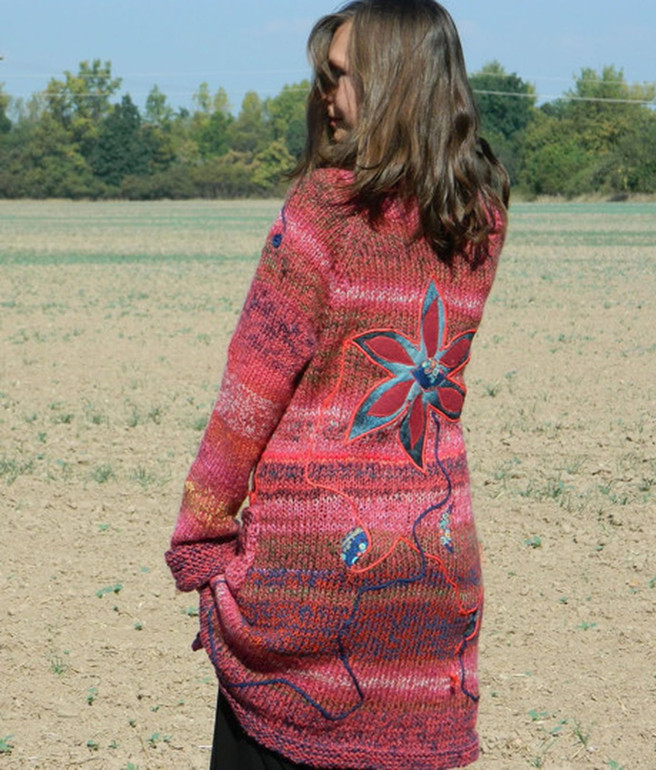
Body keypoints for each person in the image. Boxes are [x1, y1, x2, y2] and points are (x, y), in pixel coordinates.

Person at [166, 1, 509, 768]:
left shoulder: (323, 209)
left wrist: (201, 538)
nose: (326, 93)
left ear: (393, 82)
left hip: (312, 569)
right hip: (436, 560)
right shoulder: (480, 218)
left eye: (342, 75)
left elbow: (250, 396)